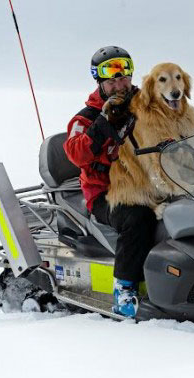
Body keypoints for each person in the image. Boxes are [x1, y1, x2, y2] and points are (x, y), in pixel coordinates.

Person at [64, 46, 157, 317]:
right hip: (105, 194)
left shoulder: (146, 105)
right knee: (138, 217)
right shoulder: (87, 117)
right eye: (111, 80)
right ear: (100, 83)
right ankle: (124, 289)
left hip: (148, 183)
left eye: (124, 77)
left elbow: (169, 129)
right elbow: (75, 152)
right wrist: (100, 126)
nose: (119, 84)